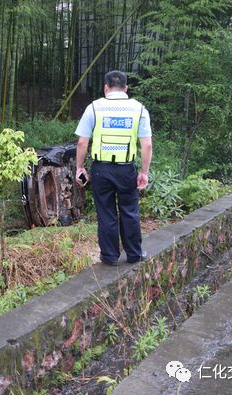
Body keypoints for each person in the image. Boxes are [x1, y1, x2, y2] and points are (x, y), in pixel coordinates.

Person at [74, 70, 152, 266]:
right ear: (126, 88)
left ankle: (109, 256)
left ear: (105, 88)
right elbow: (147, 145)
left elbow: (83, 142)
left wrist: (80, 167)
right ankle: (134, 254)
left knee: (106, 212)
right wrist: (143, 172)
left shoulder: (94, 108)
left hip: (101, 170)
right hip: (127, 169)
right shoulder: (139, 109)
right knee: (130, 210)